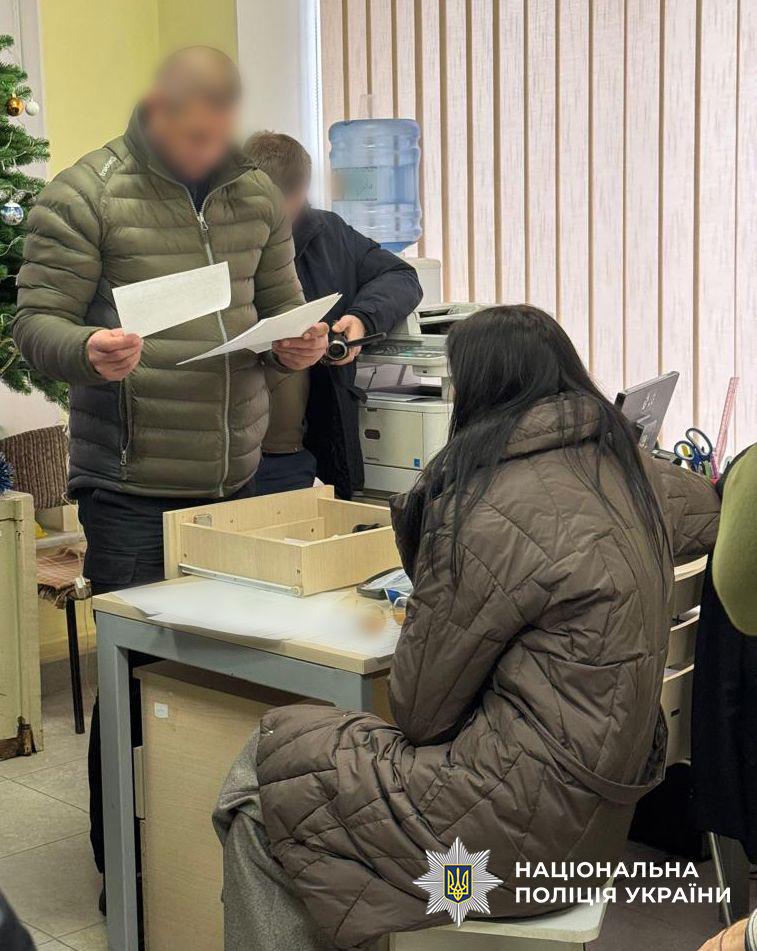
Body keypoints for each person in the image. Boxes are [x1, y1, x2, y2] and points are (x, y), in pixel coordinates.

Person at [214, 305, 721, 950]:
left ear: (475, 389)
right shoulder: (631, 469)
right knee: (310, 785)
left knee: (265, 776)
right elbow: (712, 514)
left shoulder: (484, 504)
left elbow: (419, 712)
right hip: (595, 835)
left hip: (490, 864)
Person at [12, 48, 328, 893]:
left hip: (237, 484)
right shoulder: (85, 194)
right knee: (131, 689)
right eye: (191, 135)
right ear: (156, 109)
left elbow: (279, 309)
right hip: (131, 488)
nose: (205, 150)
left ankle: (205, 871)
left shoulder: (252, 194)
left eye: (217, 134)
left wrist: (298, 343)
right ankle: (125, 874)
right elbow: (33, 325)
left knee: (225, 687)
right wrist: (86, 347)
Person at [243, 131, 423, 498]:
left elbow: (400, 276)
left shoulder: (329, 235)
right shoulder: (216, 240)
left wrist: (361, 319)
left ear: (300, 195)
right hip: (231, 447)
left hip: (306, 446)